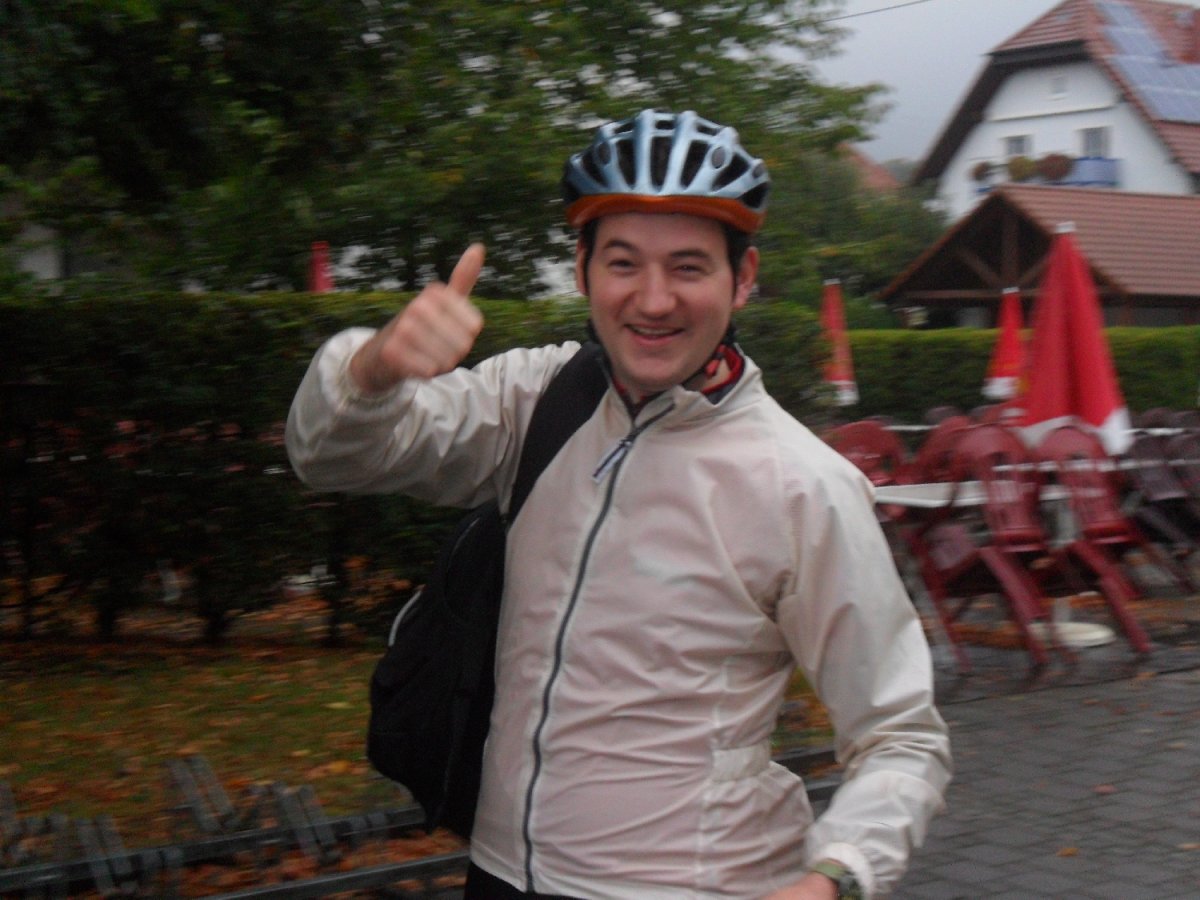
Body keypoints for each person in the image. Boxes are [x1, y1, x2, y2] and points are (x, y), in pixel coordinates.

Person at [286, 109, 951, 900]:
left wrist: (837, 875)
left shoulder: (802, 484)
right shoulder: (536, 398)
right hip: (499, 872)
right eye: (624, 263)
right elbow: (332, 456)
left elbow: (901, 734)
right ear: (582, 270)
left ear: (742, 277)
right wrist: (373, 371)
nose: (654, 299)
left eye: (689, 267)